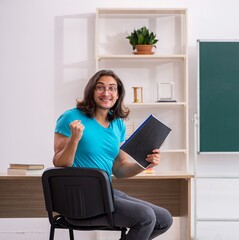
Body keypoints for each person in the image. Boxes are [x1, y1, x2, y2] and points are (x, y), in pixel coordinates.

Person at [53, 69, 173, 240]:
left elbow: (120, 169)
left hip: (105, 192)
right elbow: (59, 162)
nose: (106, 93)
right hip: (79, 198)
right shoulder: (71, 117)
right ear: (91, 91)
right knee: (146, 217)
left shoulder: (117, 124)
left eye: (112, 88)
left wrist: (145, 163)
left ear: (117, 95)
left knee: (164, 219)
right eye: (100, 88)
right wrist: (74, 139)